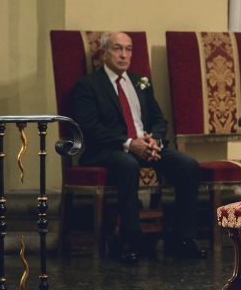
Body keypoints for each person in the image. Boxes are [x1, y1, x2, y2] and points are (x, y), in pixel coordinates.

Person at [73, 31, 206, 263]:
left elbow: (158, 119)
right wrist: (128, 144)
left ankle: (183, 239)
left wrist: (154, 139)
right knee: (127, 164)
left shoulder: (140, 81)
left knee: (188, 165)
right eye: (117, 48)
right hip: (109, 150)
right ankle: (130, 241)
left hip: (145, 146)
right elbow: (90, 128)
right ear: (104, 53)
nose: (124, 55)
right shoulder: (89, 86)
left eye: (128, 49)